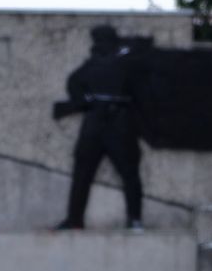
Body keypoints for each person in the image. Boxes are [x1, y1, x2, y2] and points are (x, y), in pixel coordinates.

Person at [53, 25, 148, 231]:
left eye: (100, 40)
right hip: (95, 121)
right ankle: (75, 219)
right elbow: (74, 82)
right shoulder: (95, 64)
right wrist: (83, 100)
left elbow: (141, 89)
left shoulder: (126, 63)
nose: (97, 45)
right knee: (82, 173)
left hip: (118, 121)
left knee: (129, 173)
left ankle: (135, 218)